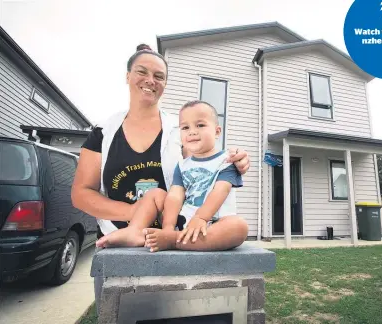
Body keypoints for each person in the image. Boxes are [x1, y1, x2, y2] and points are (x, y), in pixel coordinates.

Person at [71, 44, 251, 314]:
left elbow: (208, 155)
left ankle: (169, 236)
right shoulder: (103, 131)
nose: (150, 81)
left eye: (159, 76)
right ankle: (135, 232)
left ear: (165, 84)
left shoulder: (179, 130)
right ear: (128, 76)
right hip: (120, 243)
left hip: (179, 239)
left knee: (175, 314)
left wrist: (236, 156)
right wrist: (134, 213)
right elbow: (81, 194)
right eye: (142, 72)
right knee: (120, 315)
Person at [94, 100, 248, 252]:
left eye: (200, 125)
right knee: (156, 194)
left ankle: (174, 241)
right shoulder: (182, 165)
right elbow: (175, 196)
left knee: (238, 227)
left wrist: (201, 218)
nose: (192, 131)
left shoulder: (227, 160)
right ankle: (135, 230)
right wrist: (168, 226)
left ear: (217, 131)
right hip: (183, 220)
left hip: (213, 224)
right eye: (185, 127)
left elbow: (220, 191)